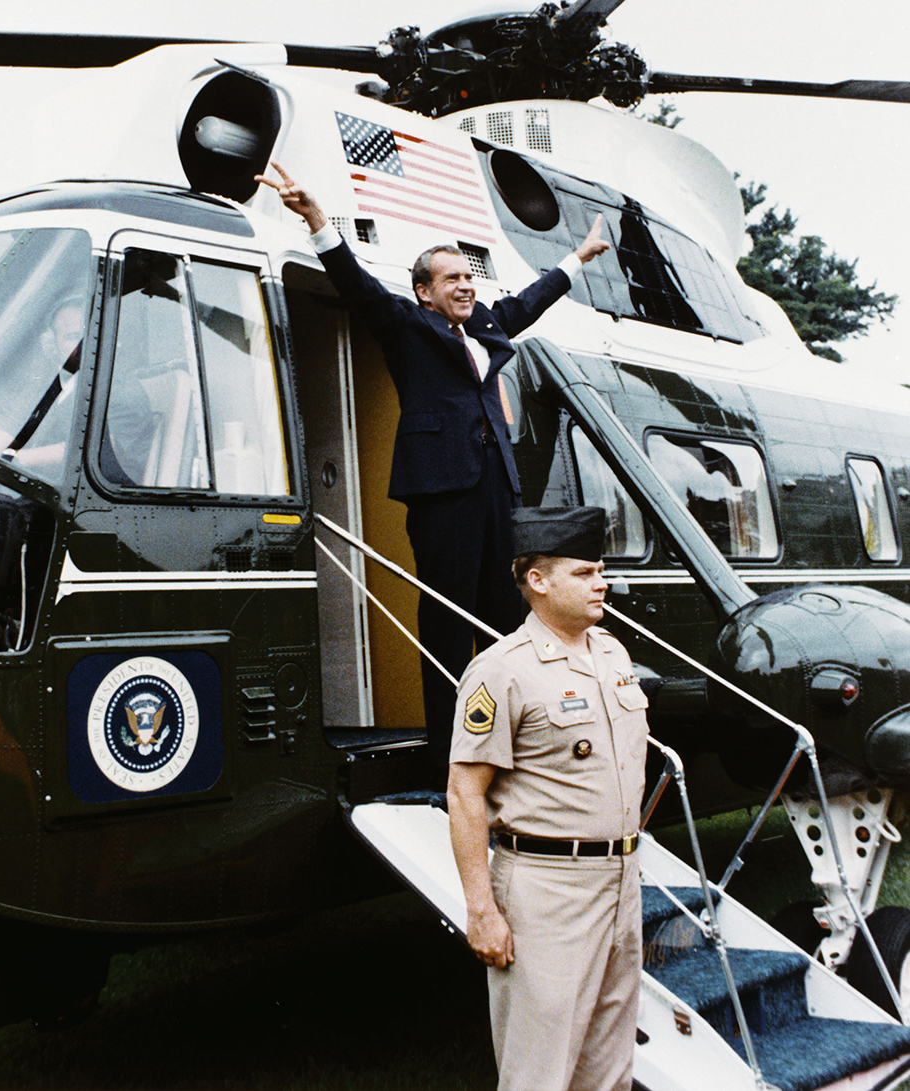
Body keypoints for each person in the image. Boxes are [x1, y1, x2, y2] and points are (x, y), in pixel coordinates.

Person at [256, 162, 610, 777]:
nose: (465, 286)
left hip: (498, 488)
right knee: (447, 618)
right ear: (425, 290)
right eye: (451, 279)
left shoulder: (488, 325)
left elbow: (531, 299)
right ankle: (448, 759)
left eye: (469, 276)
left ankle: (514, 745)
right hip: (442, 489)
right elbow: (355, 284)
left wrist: (579, 258)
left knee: (504, 614)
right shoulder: (405, 323)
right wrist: (316, 219)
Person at [447, 506, 649, 1091]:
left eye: (601, 570)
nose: (602, 583)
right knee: (540, 1070)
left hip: (621, 881)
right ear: (539, 580)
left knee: (609, 1066)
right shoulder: (501, 671)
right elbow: (465, 794)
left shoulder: (611, 652)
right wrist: (481, 909)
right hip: (546, 889)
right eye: (585, 573)